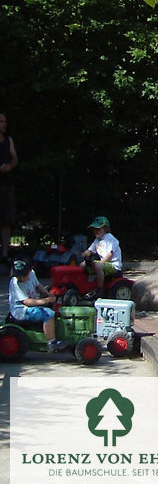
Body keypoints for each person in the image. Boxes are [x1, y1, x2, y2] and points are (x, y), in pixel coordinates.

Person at [8, 259, 64, 350]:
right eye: (18, 276)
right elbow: (27, 302)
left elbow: (38, 286)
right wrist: (46, 300)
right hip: (21, 311)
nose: (20, 278)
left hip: (30, 305)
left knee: (54, 308)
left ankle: (51, 330)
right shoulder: (15, 283)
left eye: (23, 275)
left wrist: (48, 294)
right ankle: (52, 342)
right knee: (48, 313)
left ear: (30, 270)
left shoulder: (32, 274)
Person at [81, 216, 122, 296]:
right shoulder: (97, 240)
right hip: (104, 263)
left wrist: (101, 262)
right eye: (94, 229)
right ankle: (84, 287)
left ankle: (100, 289)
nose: (95, 231)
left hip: (114, 265)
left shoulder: (110, 238)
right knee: (82, 265)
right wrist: (84, 254)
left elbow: (110, 254)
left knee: (98, 266)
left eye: (98, 229)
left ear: (105, 229)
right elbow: (90, 251)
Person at [0, 111, 17, 264]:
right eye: (1, 121)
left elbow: (14, 159)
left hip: (6, 184)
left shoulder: (8, 140)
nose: (4, 124)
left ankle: (4, 253)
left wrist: (9, 166)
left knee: (6, 219)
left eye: (5, 121)